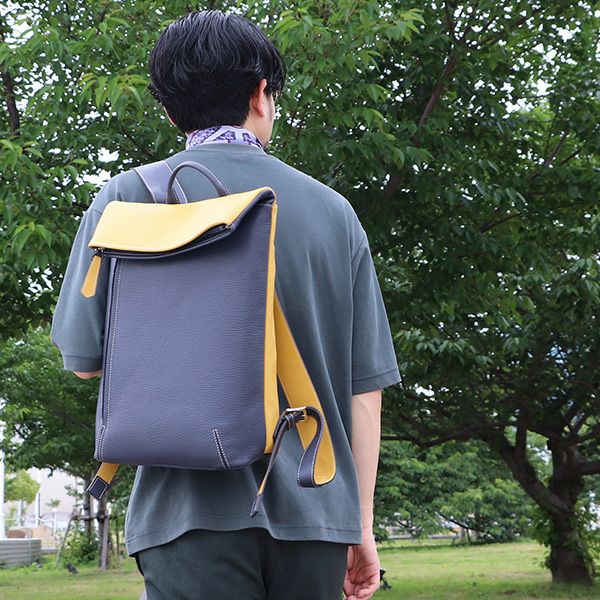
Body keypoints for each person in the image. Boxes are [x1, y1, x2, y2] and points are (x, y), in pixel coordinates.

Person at [50, 10, 401, 600]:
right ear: (262, 93)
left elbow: (85, 362)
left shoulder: (127, 199)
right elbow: (363, 390)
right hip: (316, 515)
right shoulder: (334, 213)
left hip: (184, 515)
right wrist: (359, 525)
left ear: (171, 112)